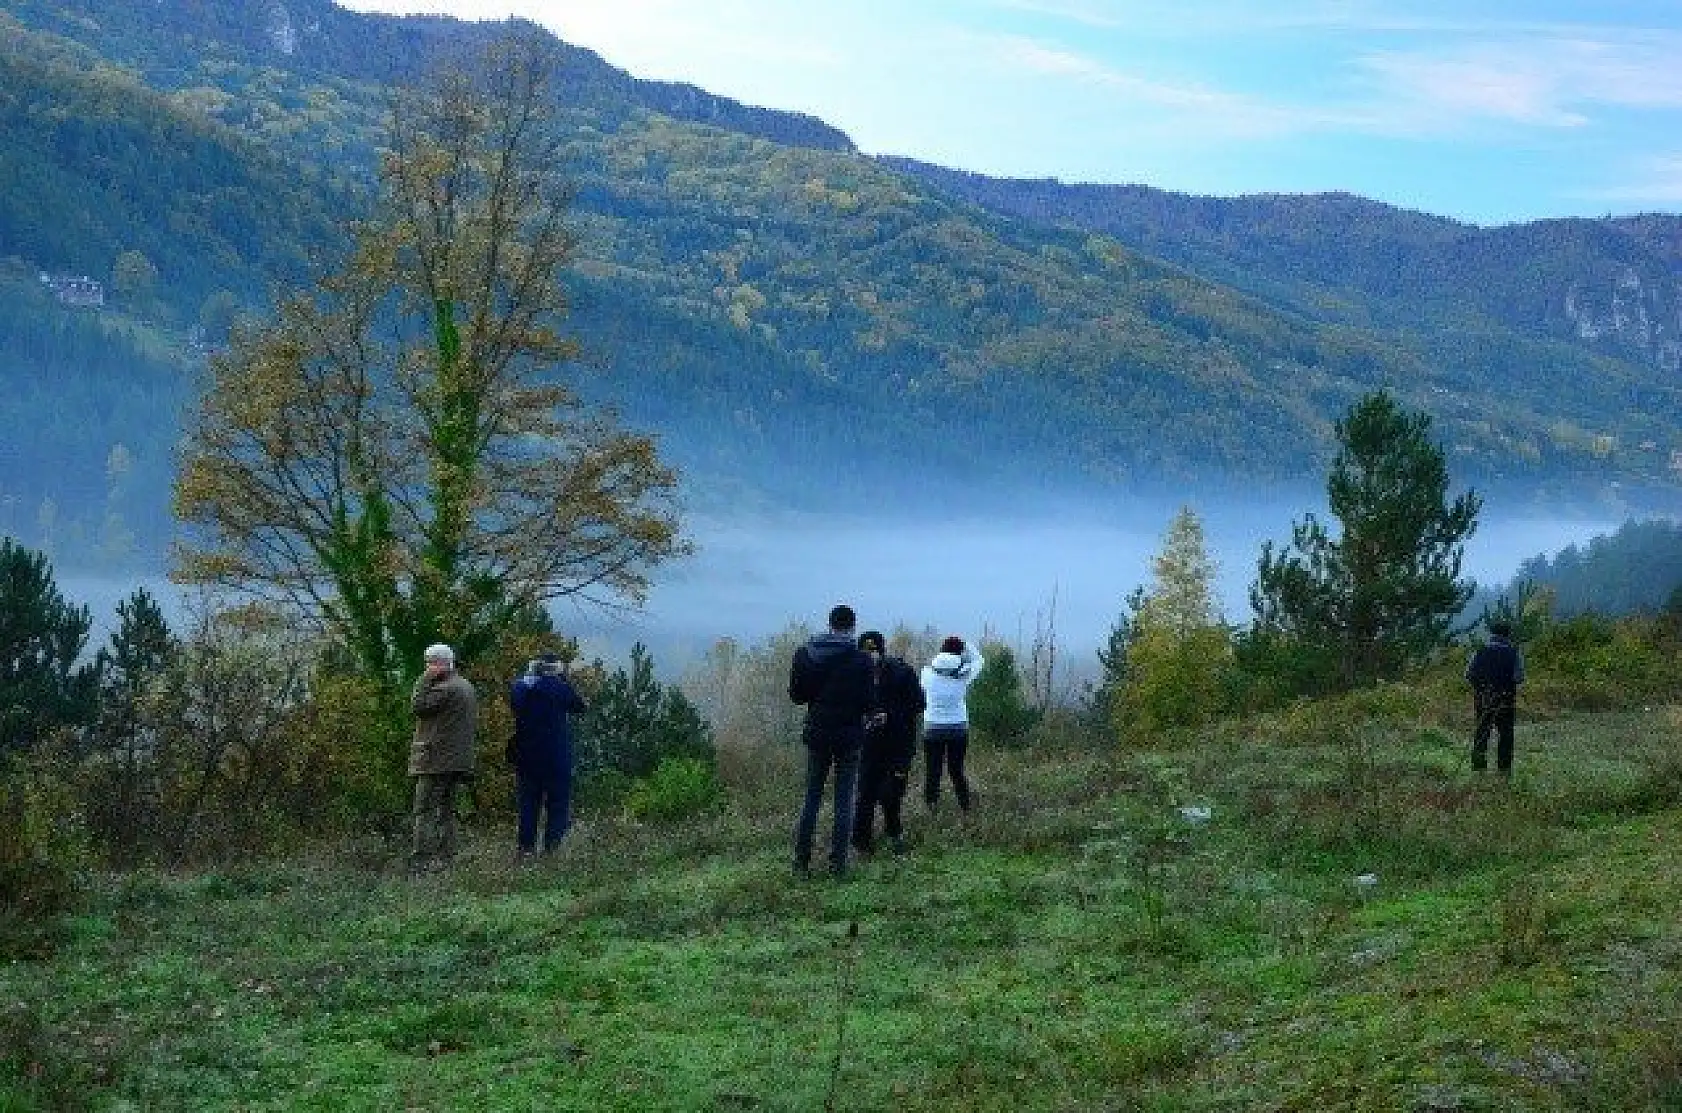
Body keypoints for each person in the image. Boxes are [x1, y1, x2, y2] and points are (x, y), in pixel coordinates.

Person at [788, 604, 874, 877]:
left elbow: (797, 696)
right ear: (852, 626)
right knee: (844, 800)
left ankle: (801, 862)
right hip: (849, 736)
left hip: (817, 732)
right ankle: (838, 864)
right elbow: (868, 702)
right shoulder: (861, 660)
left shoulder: (805, 654)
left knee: (812, 796)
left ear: (830, 624)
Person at [852, 630, 926, 857]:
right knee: (864, 793)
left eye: (873, 653)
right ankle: (861, 845)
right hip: (868, 744)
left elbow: (919, 704)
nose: (869, 659)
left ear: (881, 653)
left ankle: (895, 835)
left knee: (891, 793)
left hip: (899, 744)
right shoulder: (856, 675)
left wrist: (890, 716)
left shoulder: (902, 673)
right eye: (864, 654)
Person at [509, 652, 587, 859]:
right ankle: (552, 851)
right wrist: (562, 677)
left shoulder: (522, 687)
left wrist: (529, 676)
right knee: (558, 805)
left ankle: (525, 850)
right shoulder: (561, 688)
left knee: (528, 806)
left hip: (527, 757)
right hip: (557, 758)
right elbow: (580, 706)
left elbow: (515, 701)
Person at [409, 643, 478, 872]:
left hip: (435, 760)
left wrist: (423, 680)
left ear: (440, 663)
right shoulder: (465, 686)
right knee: (445, 811)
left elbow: (418, 706)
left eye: (430, 663)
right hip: (455, 761)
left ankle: (421, 862)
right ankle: (446, 859)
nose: (427, 667)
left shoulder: (444, 689)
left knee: (424, 811)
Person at [920, 635, 984, 811]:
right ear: (959, 652)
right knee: (956, 769)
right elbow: (979, 660)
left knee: (933, 769)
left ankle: (931, 806)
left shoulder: (926, 673)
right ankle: (964, 805)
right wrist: (967, 645)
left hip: (932, 727)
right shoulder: (965, 673)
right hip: (958, 728)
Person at [1466, 619, 1526, 777]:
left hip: (1483, 699)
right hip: (1506, 700)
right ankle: (1504, 770)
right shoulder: (1514, 652)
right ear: (1508, 634)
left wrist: (1481, 688)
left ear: (1492, 633)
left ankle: (1478, 769)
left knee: (1481, 733)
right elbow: (1519, 677)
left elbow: (1469, 675)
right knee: (1505, 735)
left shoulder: (1480, 650)